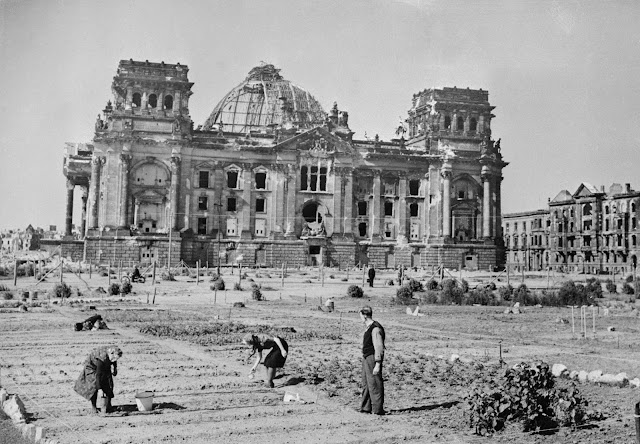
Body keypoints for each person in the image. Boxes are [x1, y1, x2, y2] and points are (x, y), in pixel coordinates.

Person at [74, 346, 122, 414]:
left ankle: (108, 405)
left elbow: (113, 360)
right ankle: (94, 407)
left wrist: (115, 368)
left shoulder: (111, 355)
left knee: (109, 383)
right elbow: (98, 375)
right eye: (114, 358)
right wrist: (99, 388)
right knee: (94, 385)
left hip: (105, 364)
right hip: (92, 367)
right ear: (111, 353)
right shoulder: (101, 359)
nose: (115, 360)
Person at [359, 306, 385, 415]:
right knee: (366, 383)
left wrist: (377, 364)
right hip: (367, 357)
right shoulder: (369, 327)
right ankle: (366, 408)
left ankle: (377, 410)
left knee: (374, 383)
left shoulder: (375, 329)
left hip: (372, 357)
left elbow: (379, 347)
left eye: (360, 315)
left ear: (364, 315)